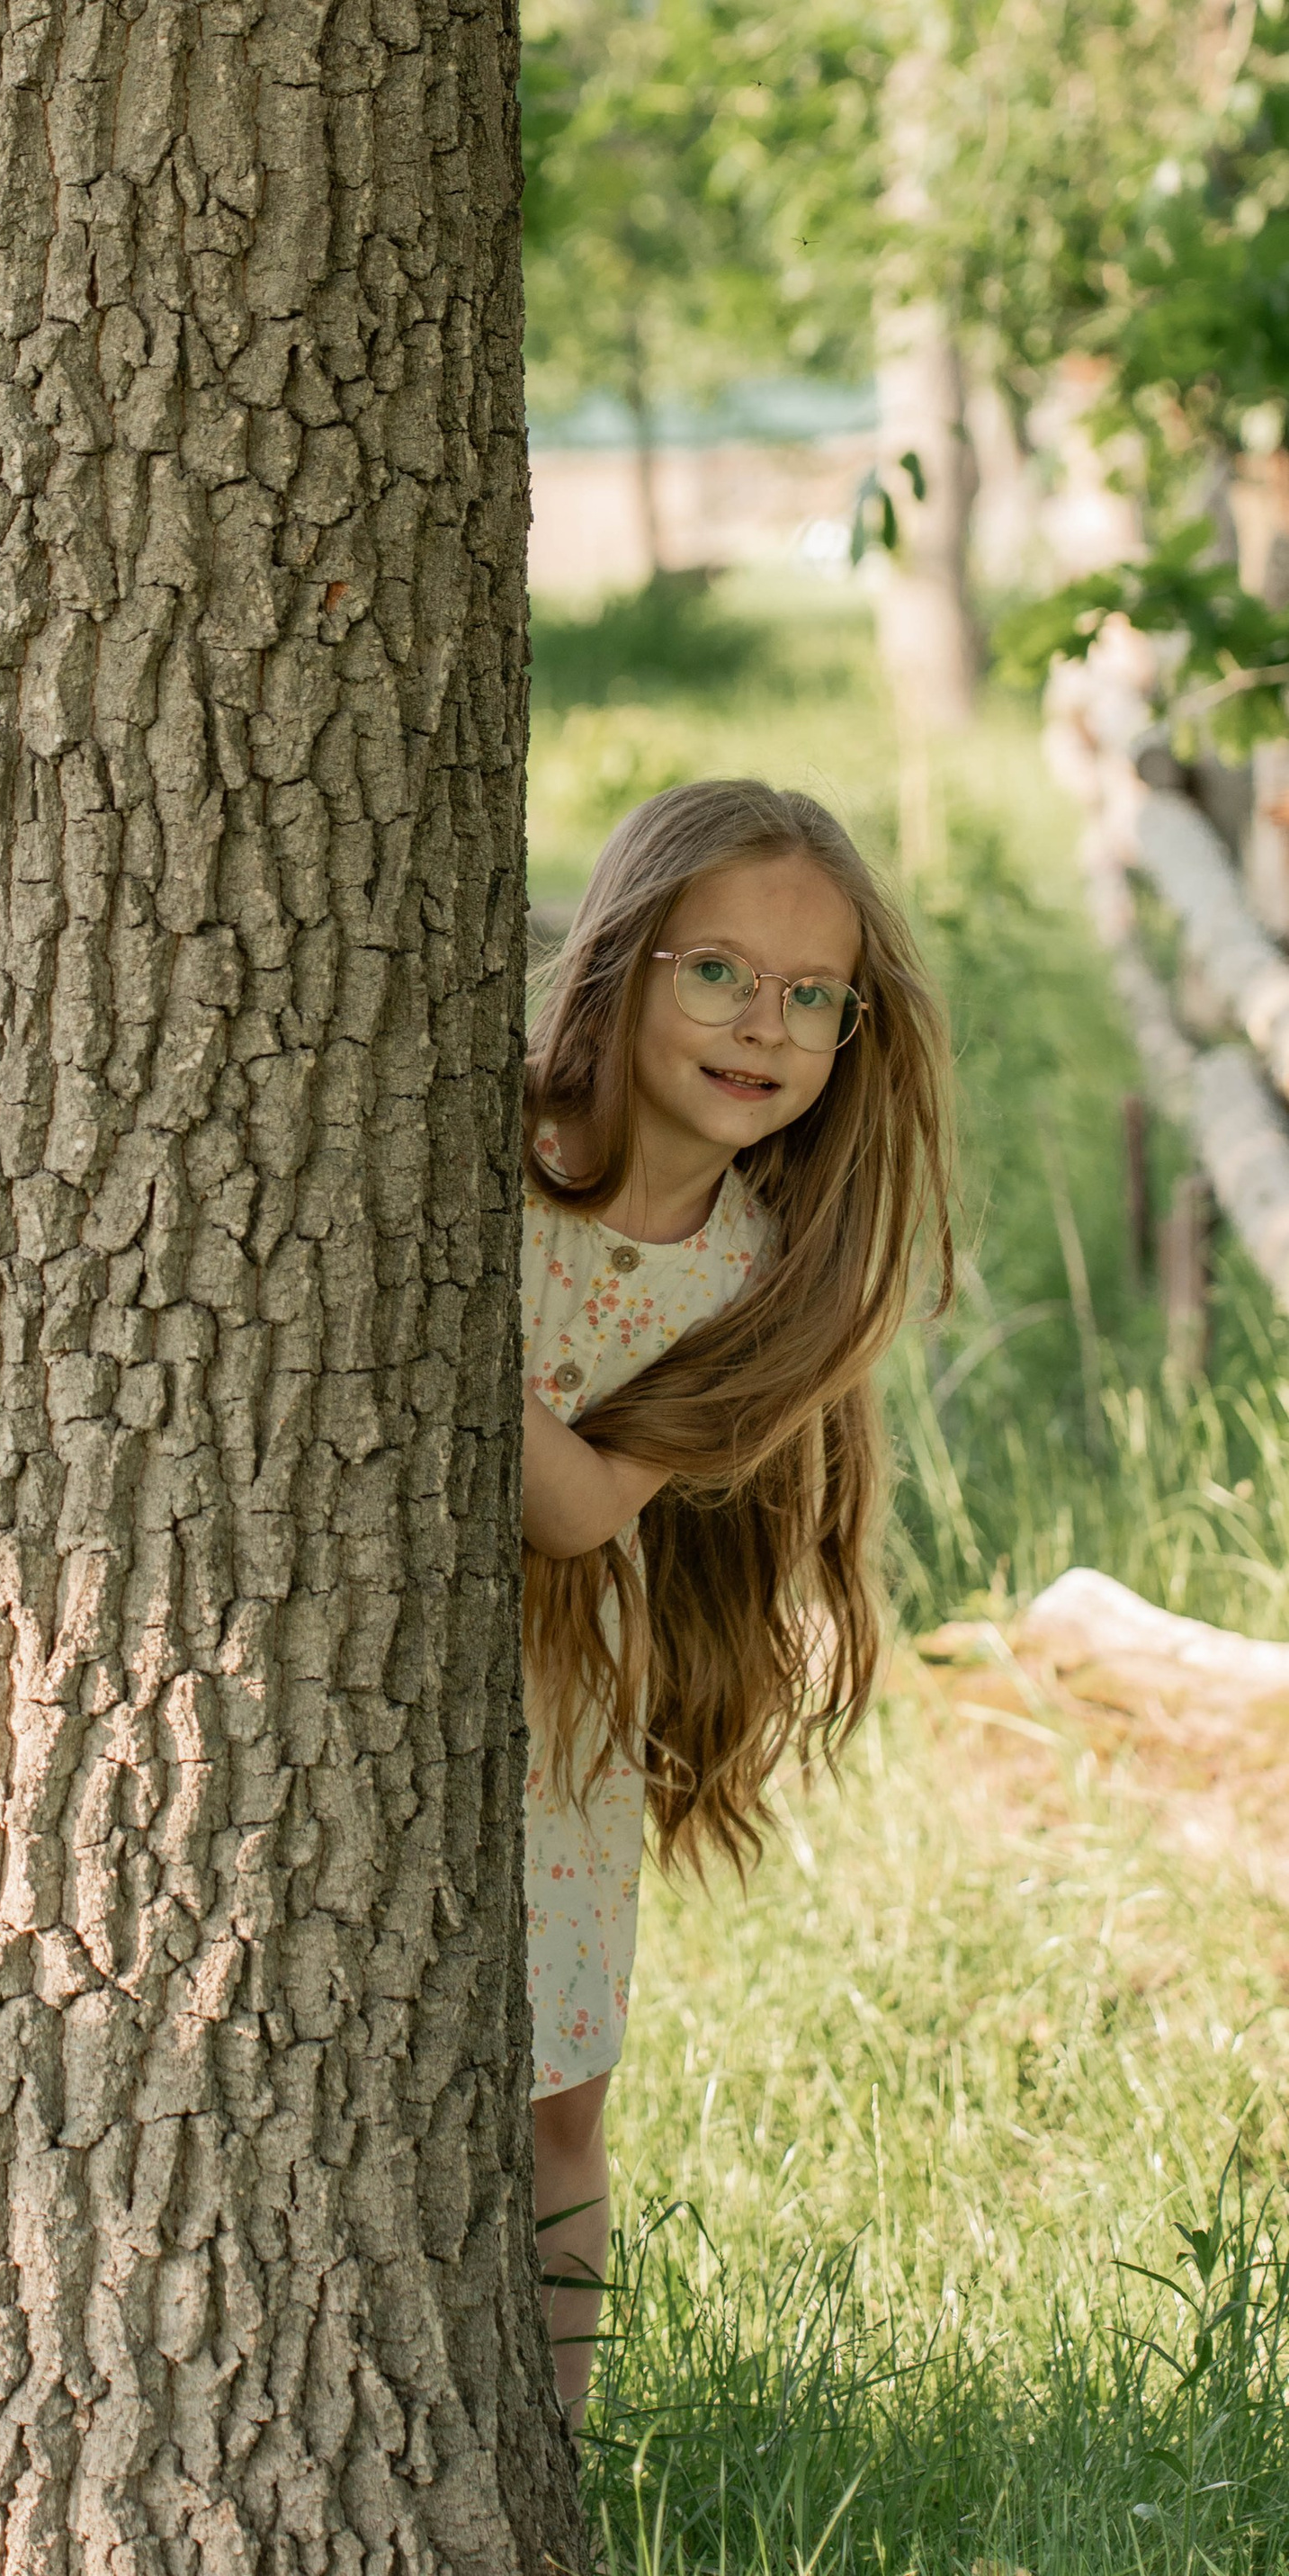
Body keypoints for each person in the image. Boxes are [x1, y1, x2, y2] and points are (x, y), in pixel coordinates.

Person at [521, 778, 953, 2423]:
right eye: (717, 972)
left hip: (566, 1711)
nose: (761, 1025)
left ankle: (543, 2463)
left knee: (558, 2104)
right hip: (363, 1678)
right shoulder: (486, 1150)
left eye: (810, 998)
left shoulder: (767, 1275)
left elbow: (569, 1508)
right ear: (624, 961)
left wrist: (406, 1297)